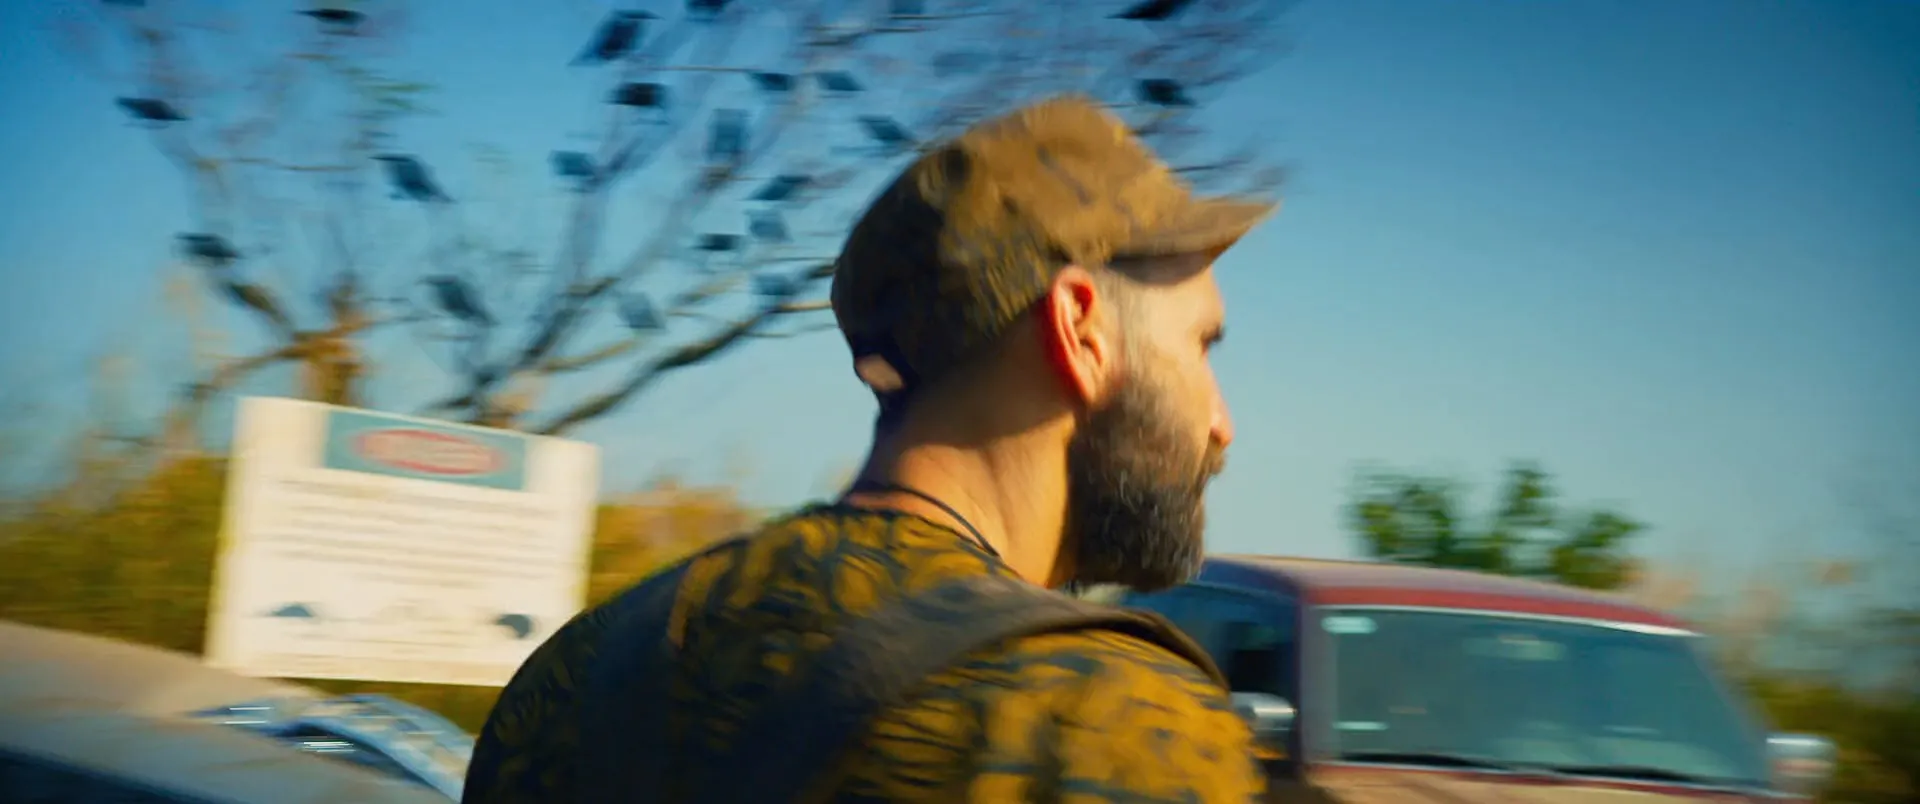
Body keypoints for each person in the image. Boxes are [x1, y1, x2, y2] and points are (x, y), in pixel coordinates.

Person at [462, 93, 1279, 803]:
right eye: (1200, 345)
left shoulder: (573, 674)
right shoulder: (1114, 724)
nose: (1221, 423)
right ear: (1082, 330)